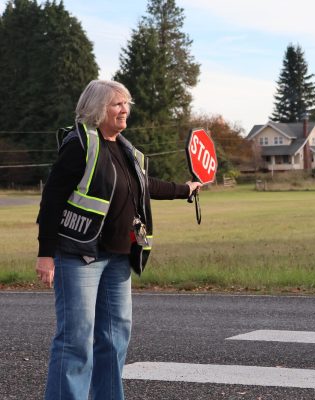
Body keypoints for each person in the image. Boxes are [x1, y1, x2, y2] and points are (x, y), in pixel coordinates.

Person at [36, 79, 201, 399]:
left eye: (127, 104)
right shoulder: (80, 144)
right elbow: (52, 199)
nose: (125, 109)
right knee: (76, 341)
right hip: (78, 256)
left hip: (118, 257)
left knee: (114, 338)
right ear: (98, 109)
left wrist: (185, 189)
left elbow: (145, 185)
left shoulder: (126, 150)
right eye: (117, 104)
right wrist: (45, 253)